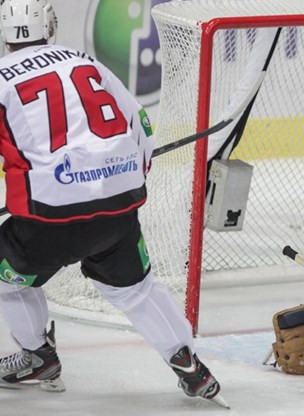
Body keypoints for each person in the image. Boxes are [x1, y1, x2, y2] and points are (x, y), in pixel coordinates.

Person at [0, 0, 227, 408]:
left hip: (48, 220)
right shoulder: (83, 60)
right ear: (49, 26)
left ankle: (38, 356)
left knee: (8, 281)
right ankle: (188, 363)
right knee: (136, 291)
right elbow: (139, 120)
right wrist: (123, 180)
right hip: (119, 207)